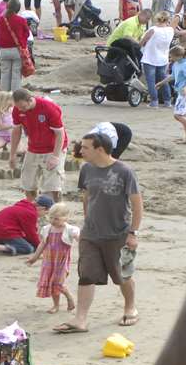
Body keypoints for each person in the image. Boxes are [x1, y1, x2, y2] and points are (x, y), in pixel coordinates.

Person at [54, 124, 142, 333]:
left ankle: (130, 307)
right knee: (86, 274)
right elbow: (87, 196)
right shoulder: (87, 169)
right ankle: (80, 320)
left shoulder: (124, 171)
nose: (80, 151)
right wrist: (87, 222)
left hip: (117, 232)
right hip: (91, 233)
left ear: (99, 149)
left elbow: (137, 204)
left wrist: (133, 233)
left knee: (122, 275)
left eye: (85, 148)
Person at [11, 88, 65, 204]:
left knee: (52, 187)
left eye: (23, 107)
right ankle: (33, 211)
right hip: (33, 148)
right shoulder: (18, 109)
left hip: (53, 147)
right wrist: (12, 154)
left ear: (30, 100)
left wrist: (55, 156)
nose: (21, 110)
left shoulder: (48, 108)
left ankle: (55, 213)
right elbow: (16, 131)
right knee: (28, 184)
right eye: (18, 107)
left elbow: (60, 133)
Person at [28, 201, 78, 314]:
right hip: (49, 261)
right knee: (52, 283)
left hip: (61, 261)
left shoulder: (69, 229)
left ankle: (69, 297)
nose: (53, 221)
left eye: (56, 219)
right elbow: (42, 244)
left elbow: (78, 237)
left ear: (65, 218)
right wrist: (35, 257)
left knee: (58, 283)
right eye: (51, 218)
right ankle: (56, 305)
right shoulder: (47, 229)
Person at [0, 190, 41, 255]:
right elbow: (31, 233)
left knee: (21, 241)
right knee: (28, 248)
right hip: (5, 231)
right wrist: (40, 247)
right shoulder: (31, 213)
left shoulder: (22, 206)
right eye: (46, 212)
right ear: (42, 208)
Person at [140, 12, 176, 107]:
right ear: (168, 20)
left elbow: (143, 42)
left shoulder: (153, 30)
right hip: (163, 58)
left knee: (151, 81)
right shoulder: (170, 30)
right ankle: (167, 101)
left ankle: (154, 101)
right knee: (163, 80)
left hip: (150, 58)